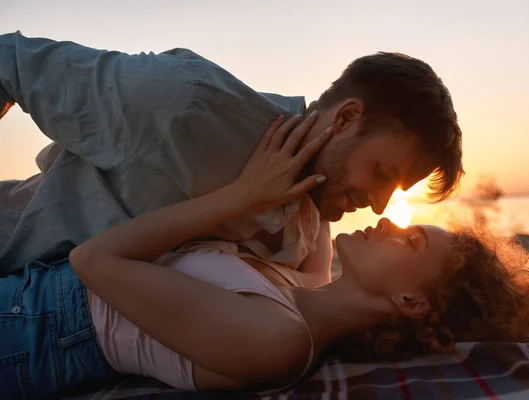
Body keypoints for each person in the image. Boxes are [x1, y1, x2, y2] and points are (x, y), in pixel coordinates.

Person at [0, 117, 529, 399]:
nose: (392, 218)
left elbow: (96, 262)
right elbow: (320, 180)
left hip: (28, 334)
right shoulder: (303, 282)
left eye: (413, 240)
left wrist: (240, 197)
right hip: (26, 293)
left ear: (409, 301)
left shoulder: (281, 342)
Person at [0, 31, 463, 277]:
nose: (380, 205)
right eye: (382, 172)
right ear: (343, 120)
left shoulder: (310, 218)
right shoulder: (187, 103)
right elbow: (10, 60)